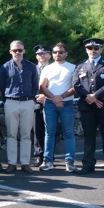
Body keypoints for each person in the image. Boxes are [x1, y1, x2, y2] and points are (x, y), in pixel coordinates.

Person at [73, 37, 104, 177]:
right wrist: (89, 98)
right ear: (86, 50)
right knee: (89, 137)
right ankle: (88, 165)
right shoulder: (80, 66)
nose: (93, 51)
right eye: (89, 48)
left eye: (96, 48)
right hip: (87, 107)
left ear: (101, 49)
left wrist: (96, 96)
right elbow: (76, 84)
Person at [0, 40, 40, 173]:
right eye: (15, 50)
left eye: (20, 50)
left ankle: (25, 163)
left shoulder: (32, 67)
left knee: (26, 134)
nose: (17, 52)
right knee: (11, 134)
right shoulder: (4, 67)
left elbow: (35, 84)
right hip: (11, 102)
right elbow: (2, 85)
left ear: (24, 51)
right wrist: (7, 99)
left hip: (28, 102)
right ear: (10, 51)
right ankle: (11, 163)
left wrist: (32, 100)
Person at [39, 43, 77, 172]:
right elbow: (42, 86)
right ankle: (47, 161)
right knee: (49, 133)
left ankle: (70, 161)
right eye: (55, 52)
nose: (57, 54)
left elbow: (75, 87)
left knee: (68, 133)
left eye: (60, 52)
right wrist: (54, 98)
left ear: (66, 54)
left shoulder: (72, 68)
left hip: (67, 104)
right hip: (50, 104)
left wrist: (61, 97)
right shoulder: (47, 68)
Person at [32, 45, 52, 168]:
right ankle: (39, 155)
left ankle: (49, 155)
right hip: (35, 102)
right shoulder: (32, 69)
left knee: (50, 130)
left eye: (44, 53)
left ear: (49, 55)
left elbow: (57, 85)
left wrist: (46, 96)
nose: (41, 56)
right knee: (37, 130)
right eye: (39, 54)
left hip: (51, 101)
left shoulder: (54, 68)